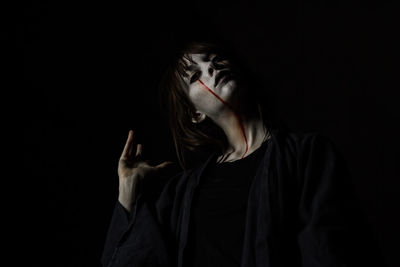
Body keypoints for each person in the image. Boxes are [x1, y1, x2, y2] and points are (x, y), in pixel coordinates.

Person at [100, 39, 387, 267]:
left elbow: (330, 251)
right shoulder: (179, 196)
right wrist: (128, 192)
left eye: (213, 58)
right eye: (195, 75)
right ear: (195, 114)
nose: (211, 67)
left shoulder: (306, 155)